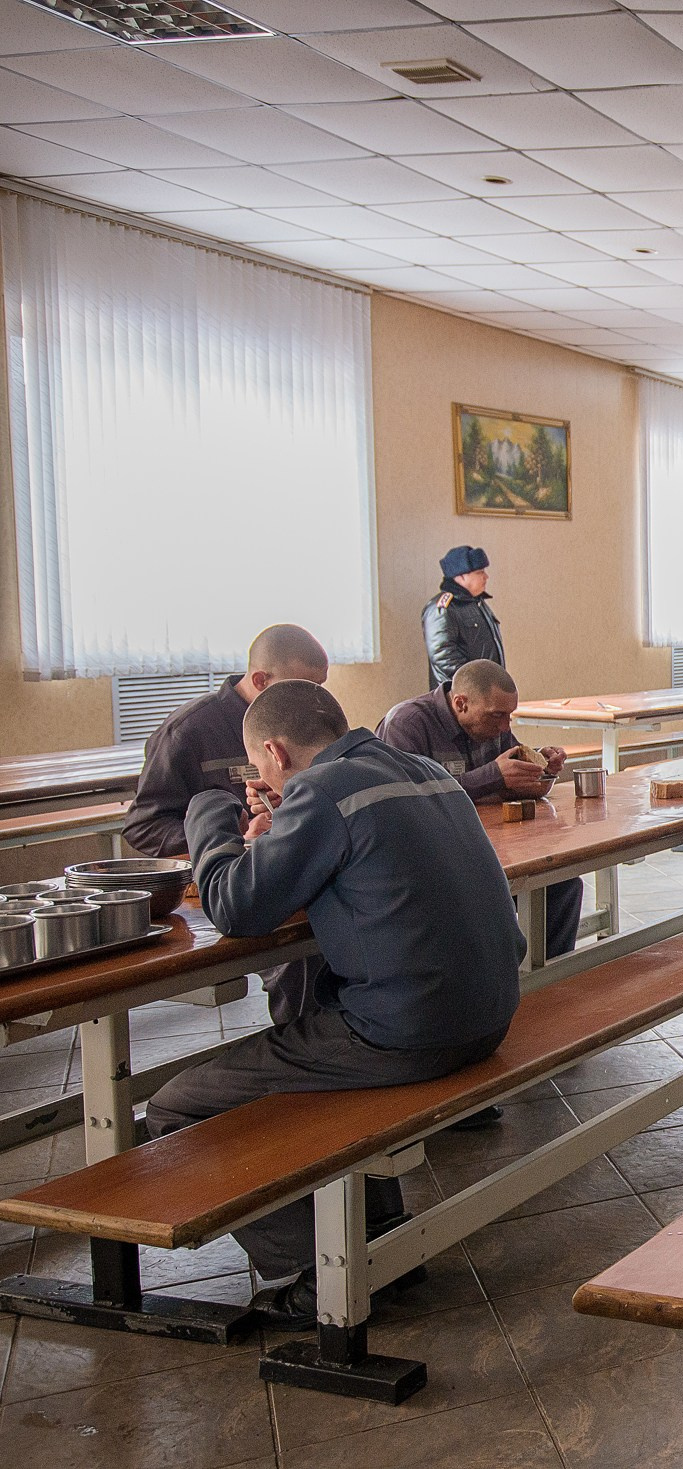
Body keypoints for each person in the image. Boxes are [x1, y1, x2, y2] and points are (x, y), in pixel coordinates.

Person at [148, 681, 523, 1330]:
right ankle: (381, 1235)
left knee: (176, 1105)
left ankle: (319, 1270)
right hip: (490, 1014)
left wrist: (210, 810)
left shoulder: (323, 792)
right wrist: (283, 824)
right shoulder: (425, 769)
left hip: (413, 1031)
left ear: (272, 749)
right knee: (312, 1059)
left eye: (261, 767)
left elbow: (236, 905)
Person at [376, 658, 581, 958]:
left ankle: (552, 981)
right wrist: (494, 776)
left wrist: (540, 764)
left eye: (510, 716)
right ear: (461, 704)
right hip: (433, 859)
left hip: (490, 844)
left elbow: (511, 769)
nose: (504, 727)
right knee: (487, 897)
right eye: (498, 716)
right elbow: (408, 801)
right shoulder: (407, 725)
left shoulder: (493, 728)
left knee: (562, 883)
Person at [124, 624, 331, 861]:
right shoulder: (187, 732)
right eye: (297, 689)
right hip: (222, 879)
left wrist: (287, 800)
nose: (311, 702)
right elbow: (144, 828)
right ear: (260, 680)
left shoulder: (310, 724)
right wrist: (235, 835)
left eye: (319, 687)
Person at [424, 545, 505, 689]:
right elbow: (443, 655)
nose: (486, 577)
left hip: (484, 694)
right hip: (460, 698)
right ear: (461, 576)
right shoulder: (443, 608)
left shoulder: (477, 603)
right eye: (480, 572)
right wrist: (476, 685)